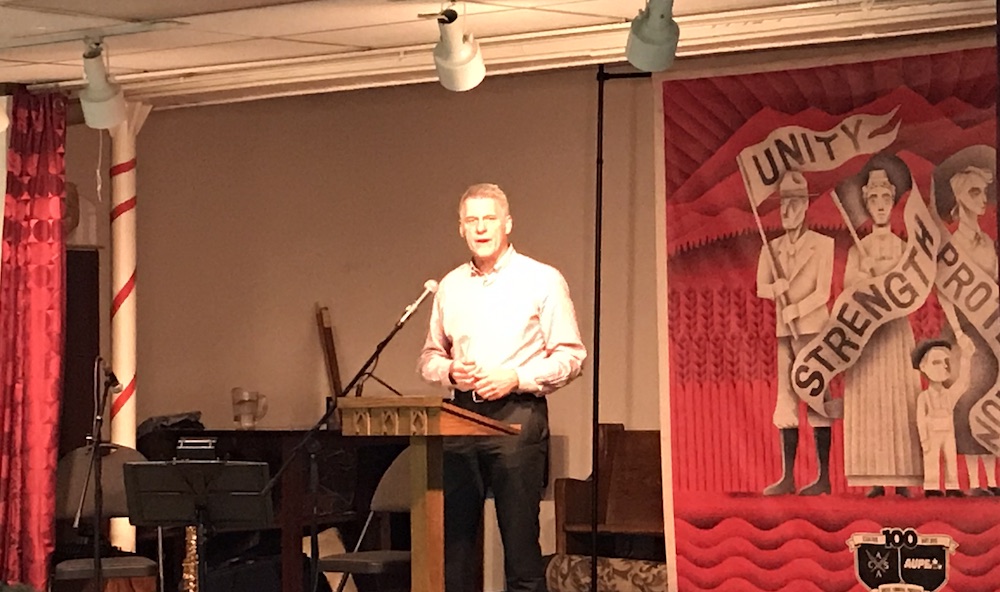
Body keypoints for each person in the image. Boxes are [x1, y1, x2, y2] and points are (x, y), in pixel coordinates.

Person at [417, 183, 586, 592]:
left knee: (520, 548)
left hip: (517, 416)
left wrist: (517, 377)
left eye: (489, 218)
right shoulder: (450, 286)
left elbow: (572, 357)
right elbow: (428, 358)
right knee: (454, 552)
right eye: (471, 220)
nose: (481, 228)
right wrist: (451, 372)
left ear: (507, 223)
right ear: (461, 229)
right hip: (459, 418)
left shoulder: (541, 279)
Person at [842, 168, 923, 496]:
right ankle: (874, 478)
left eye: (884, 199)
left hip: (895, 332)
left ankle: (903, 478)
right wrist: (868, 280)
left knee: (900, 402)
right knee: (872, 403)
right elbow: (848, 289)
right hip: (867, 336)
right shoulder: (857, 250)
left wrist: (890, 282)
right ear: (866, 203)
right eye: (873, 199)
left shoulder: (904, 249)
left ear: (892, 203)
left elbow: (913, 290)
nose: (879, 205)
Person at [755, 171, 835, 496]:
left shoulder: (822, 245)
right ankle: (788, 476)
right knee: (786, 399)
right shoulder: (770, 248)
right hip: (785, 335)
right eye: (784, 203)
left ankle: (824, 477)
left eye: (794, 203)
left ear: (805, 206)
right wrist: (777, 289)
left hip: (814, 332)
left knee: (816, 397)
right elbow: (760, 287)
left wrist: (796, 309)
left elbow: (823, 292)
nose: (788, 210)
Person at [945, 165, 998, 496]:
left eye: (984, 193)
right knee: (965, 401)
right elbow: (944, 293)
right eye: (974, 193)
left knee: (992, 401)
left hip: (991, 332)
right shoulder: (950, 244)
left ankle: (992, 480)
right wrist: (957, 333)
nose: (982, 200)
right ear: (960, 199)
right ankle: (973, 481)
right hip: (964, 332)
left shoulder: (989, 242)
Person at [913, 334, 974, 497]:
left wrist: (966, 357)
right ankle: (931, 486)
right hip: (931, 431)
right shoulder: (924, 397)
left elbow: (963, 383)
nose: (943, 367)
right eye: (936, 362)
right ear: (923, 367)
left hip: (947, 431)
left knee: (950, 458)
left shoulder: (949, 395)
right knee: (931, 458)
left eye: (946, 362)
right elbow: (920, 418)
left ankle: (952, 485)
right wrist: (924, 438)